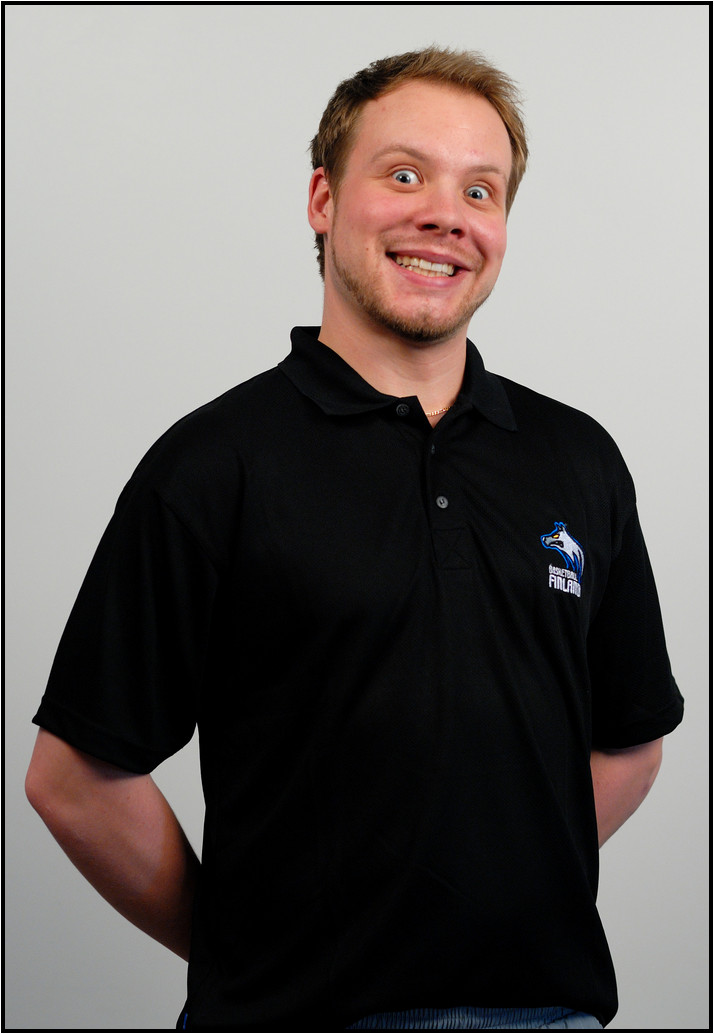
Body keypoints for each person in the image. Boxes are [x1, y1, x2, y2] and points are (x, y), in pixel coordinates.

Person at [26, 47, 683, 1032]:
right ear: (324, 200)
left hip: (546, 1016)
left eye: (480, 189)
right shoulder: (213, 465)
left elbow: (631, 741)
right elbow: (74, 779)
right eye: (405, 175)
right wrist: (250, 952)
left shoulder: (578, 459)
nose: (446, 215)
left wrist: (492, 892)